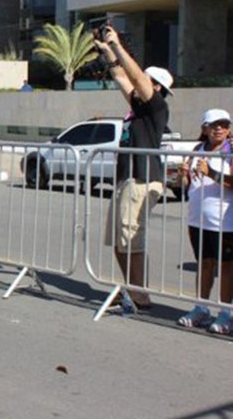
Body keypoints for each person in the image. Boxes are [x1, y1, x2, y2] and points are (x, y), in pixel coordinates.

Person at [93, 26, 172, 310]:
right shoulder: (136, 108)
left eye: (148, 81)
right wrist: (107, 52)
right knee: (119, 240)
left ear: (157, 86)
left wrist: (119, 46)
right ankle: (131, 288)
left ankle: (140, 293)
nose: (138, 83)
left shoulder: (157, 107)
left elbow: (136, 77)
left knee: (131, 238)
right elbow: (121, 76)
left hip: (142, 177)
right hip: (126, 178)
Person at [176, 108, 233, 333]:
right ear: (205, 128)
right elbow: (185, 184)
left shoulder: (230, 150)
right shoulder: (197, 150)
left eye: (224, 124)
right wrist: (182, 175)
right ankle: (201, 307)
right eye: (214, 124)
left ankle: (225, 313)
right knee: (205, 264)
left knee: (227, 267)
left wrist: (211, 173)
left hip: (225, 221)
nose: (219, 128)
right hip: (197, 220)